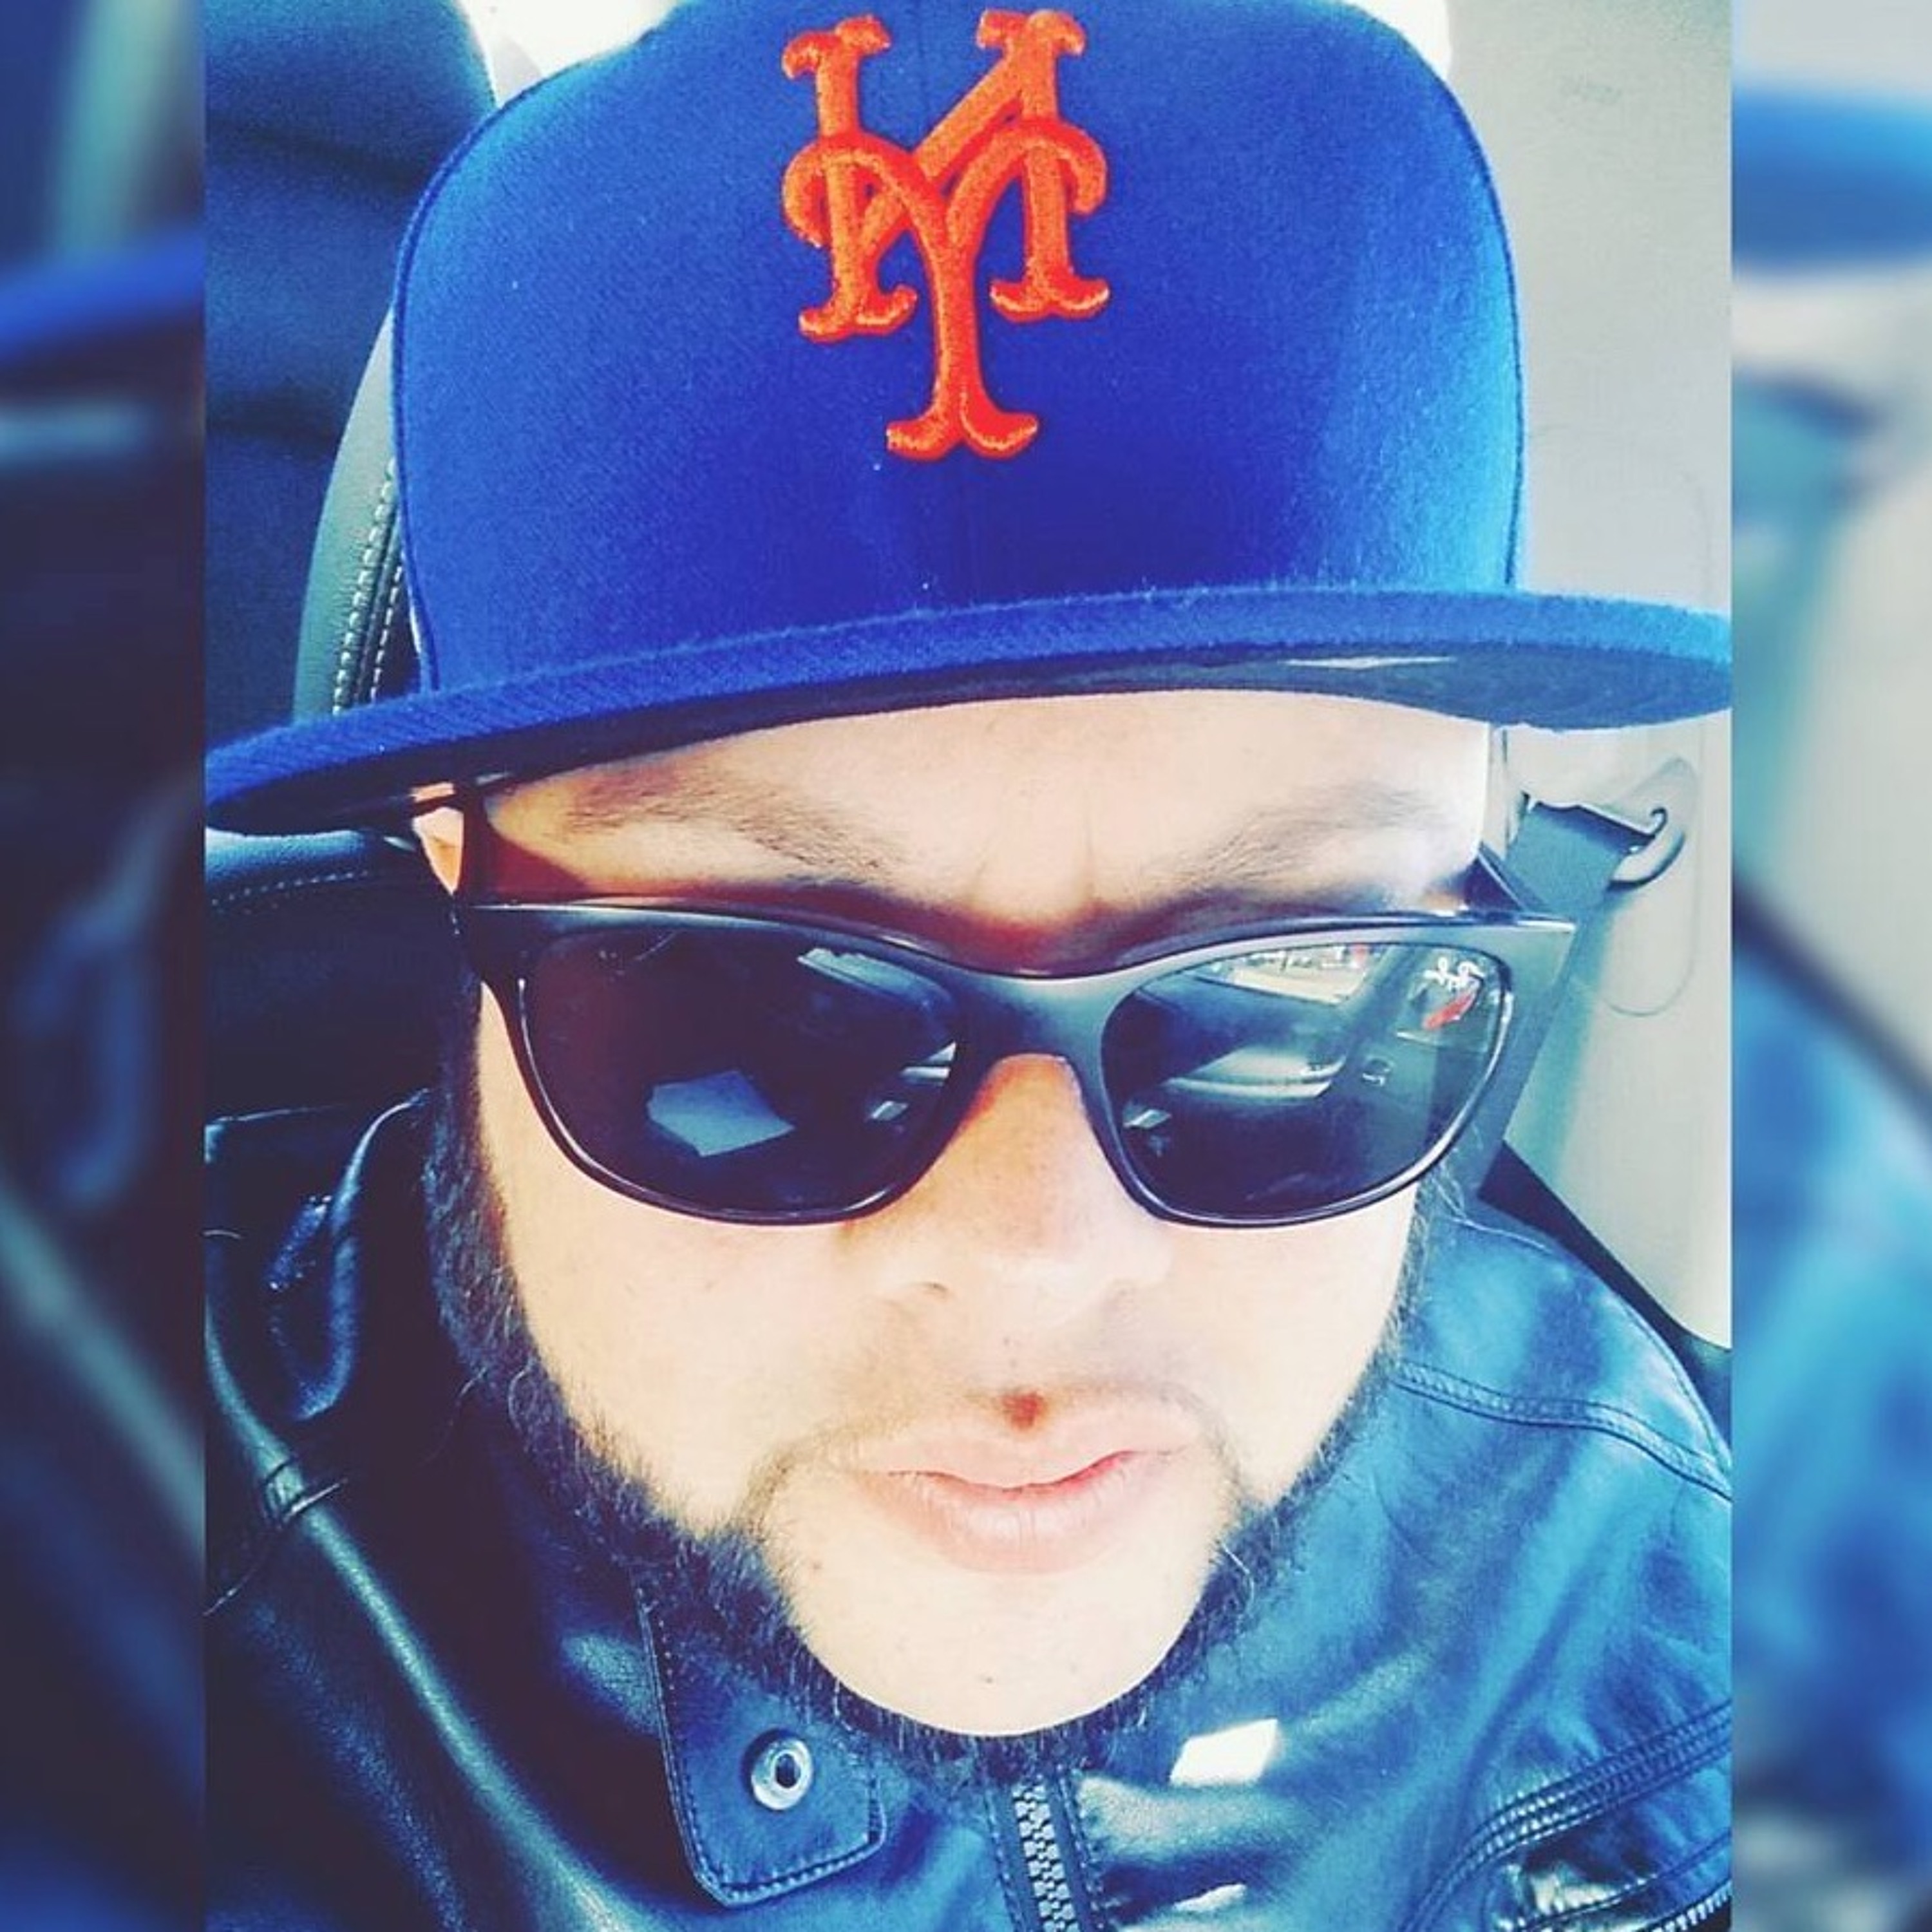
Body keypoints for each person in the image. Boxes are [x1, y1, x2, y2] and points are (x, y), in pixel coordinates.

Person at [204, 0, 1730, 1924]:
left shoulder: (1643, 1559)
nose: (1038, 1261)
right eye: (755, 1015)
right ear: (456, 858)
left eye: (1285, 987)